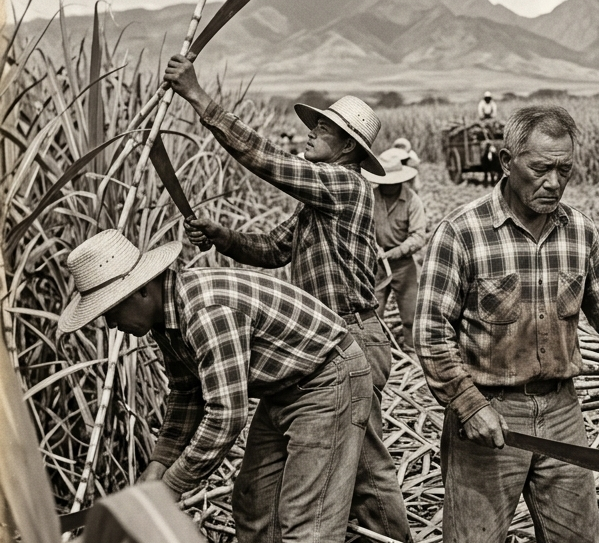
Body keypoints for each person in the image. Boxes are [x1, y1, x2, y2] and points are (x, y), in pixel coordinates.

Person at [415, 105, 599, 542]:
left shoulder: (579, 231)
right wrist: (469, 406)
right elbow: (432, 334)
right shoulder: (462, 232)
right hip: (491, 413)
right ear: (507, 162)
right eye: (541, 169)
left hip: (562, 411)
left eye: (564, 170)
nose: (553, 182)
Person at [162, 56, 411, 542]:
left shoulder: (344, 185)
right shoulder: (316, 203)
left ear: (348, 147)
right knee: (276, 486)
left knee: (366, 470)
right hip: (315, 346)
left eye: (324, 129)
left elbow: (269, 161)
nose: (311, 132)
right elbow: (274, 250)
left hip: (352, 337)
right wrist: (223, 236)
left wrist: (199, 97)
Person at [57, 230, 373, 543]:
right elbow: (186, 393)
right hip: (285, 389)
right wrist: (159, 465)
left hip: (326, 378)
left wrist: (172, 485)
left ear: (141, 291)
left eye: (112, 311)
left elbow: (226, 415)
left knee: (306, 523)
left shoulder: (203, 311)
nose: (112, 324)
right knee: (255, 503)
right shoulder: (165, 321)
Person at [367, 149, 427, 352]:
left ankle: (412, 351)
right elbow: (361, 227)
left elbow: (418, 237)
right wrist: (373, 246)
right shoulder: (370, 198)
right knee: (373, 314)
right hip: (376, 264)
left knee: (411, 314)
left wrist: (396, 252)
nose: (388, 185)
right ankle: (377, 354)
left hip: (403, 264)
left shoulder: (412, 201)